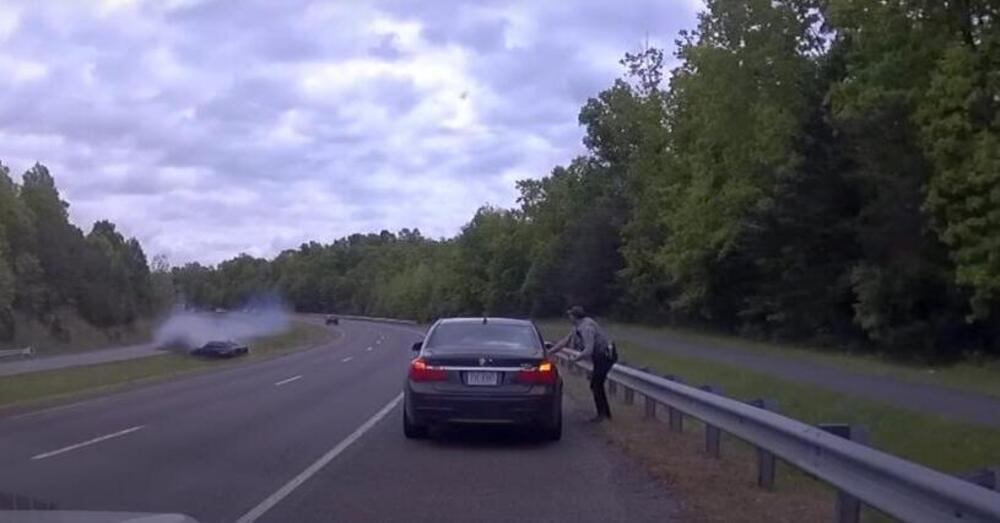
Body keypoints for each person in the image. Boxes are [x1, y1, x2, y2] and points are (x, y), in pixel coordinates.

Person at [547, 305, 615, 422]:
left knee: (596, 384)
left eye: (570, 315)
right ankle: (605, 414)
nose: (569, 317)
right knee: (596, 384)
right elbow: (565, 341)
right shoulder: (577, 326)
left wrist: (575, 359)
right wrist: (549, 352)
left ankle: (602, 415)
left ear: (575, 316)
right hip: (599, 356)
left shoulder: (587, 327)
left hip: (605, 356)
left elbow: (588, 349)